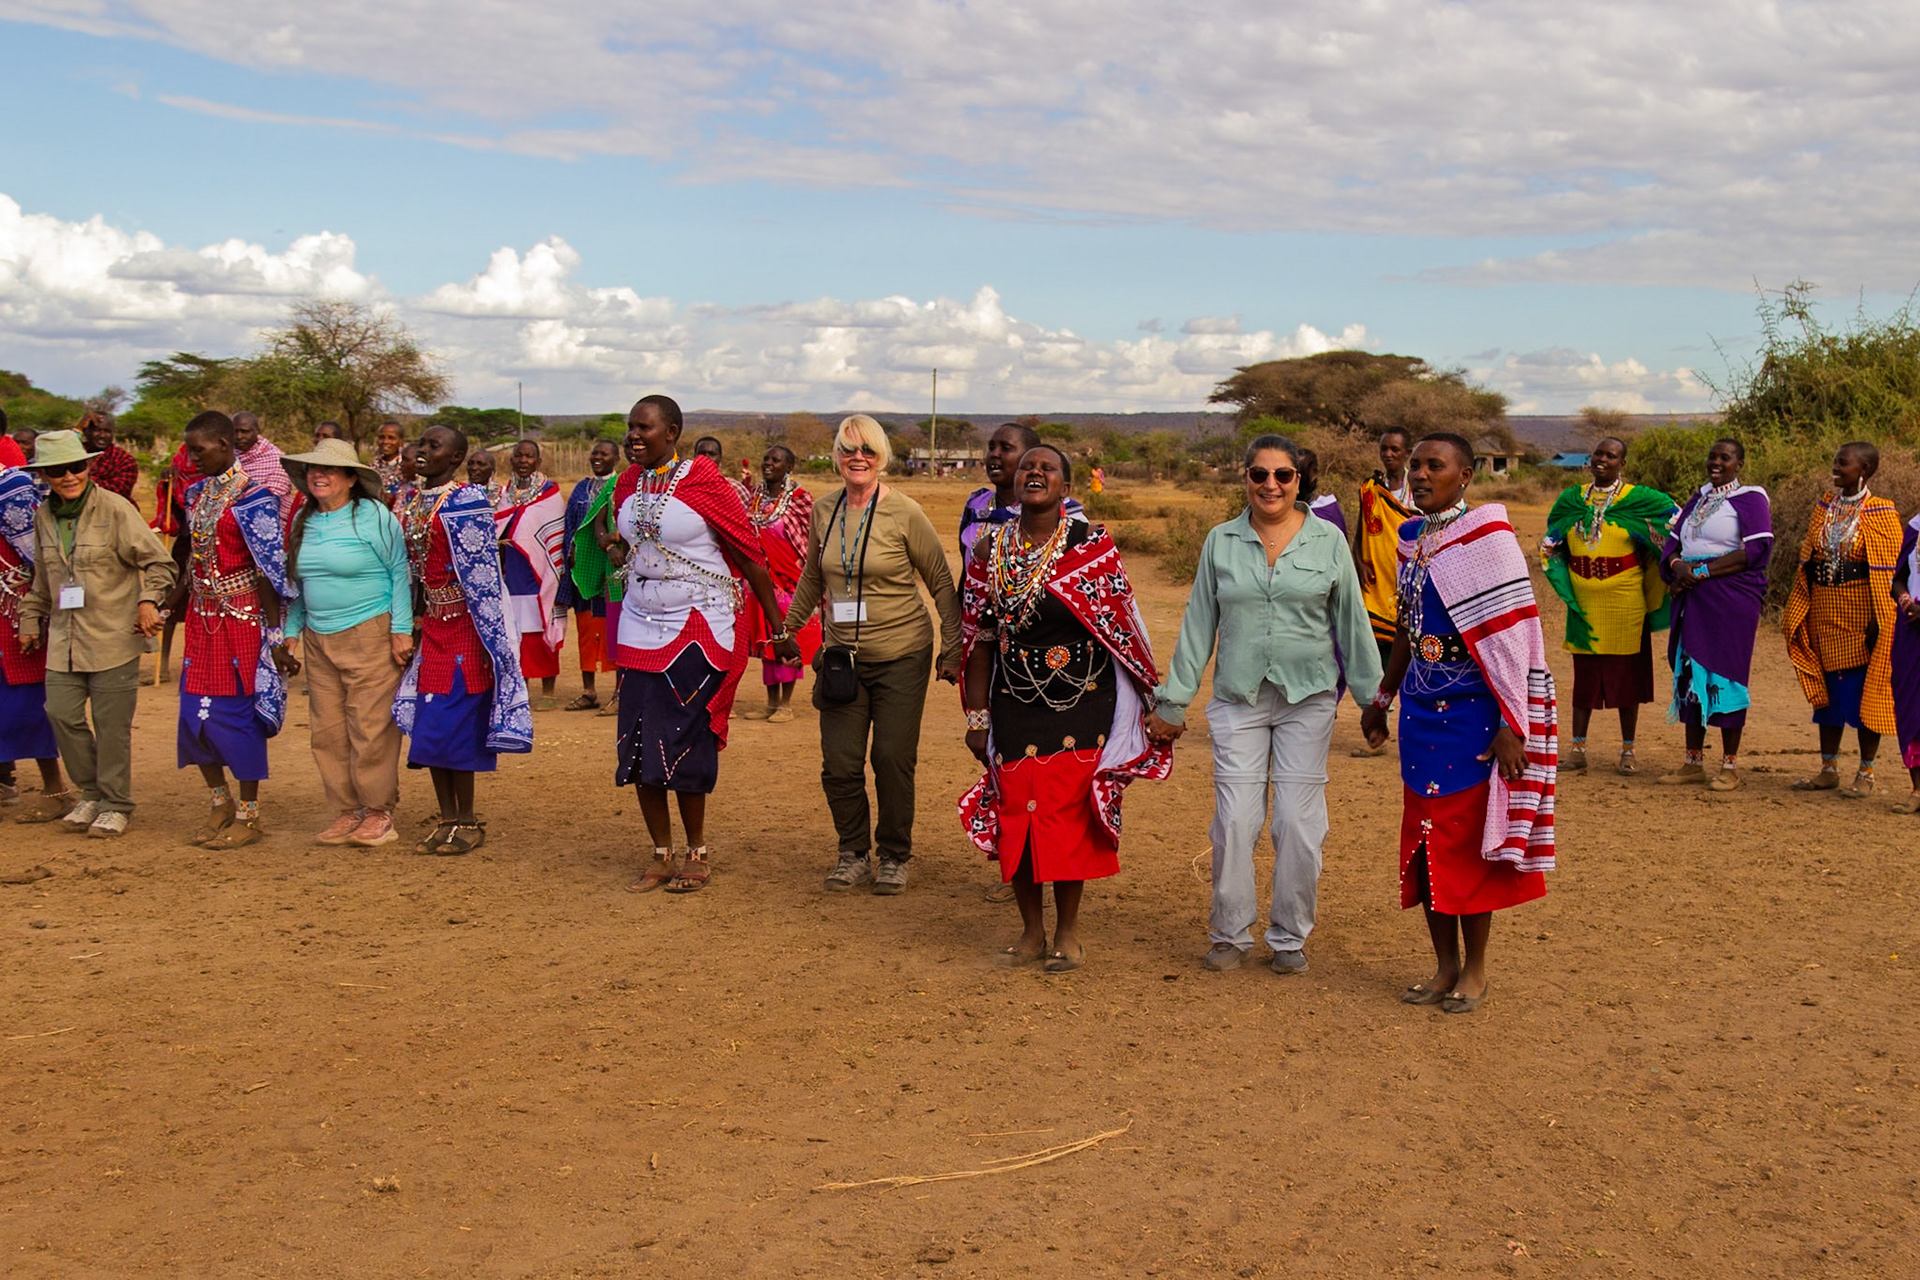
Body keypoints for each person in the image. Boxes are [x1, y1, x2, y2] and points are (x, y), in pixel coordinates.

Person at [1146, 434, 1383, 974]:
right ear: (1245, 478)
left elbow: (1352, 623)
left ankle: (1289, 937)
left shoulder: (1327, 541)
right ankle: (1229, 932)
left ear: (1300, 481)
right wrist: (1174, 701)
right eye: (1259, 475)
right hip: (1238, 698)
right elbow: (1199, 624)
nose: (1270, 485)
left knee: (1299, 824)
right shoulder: (1220, 541)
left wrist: (1373, 701)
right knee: (1235, 819)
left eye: (1283, 475)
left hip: (1309, 698)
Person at [1359, 434, 1558, 1015]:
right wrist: (1383, 698)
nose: (1420, 475)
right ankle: (1443, 965)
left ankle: (1475, 969)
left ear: (1465, 474)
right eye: (1416, 466)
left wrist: (1510, 724)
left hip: (1475, 714)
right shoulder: (1411, 539)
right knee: (1424, 843)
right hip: (1422, 710)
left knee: (1465, 845)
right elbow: (1405, 627)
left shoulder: (1489, 539)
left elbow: (1514, 640)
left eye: (1434, 466)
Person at [960, 445, 1169, 971]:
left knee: (1067, 819)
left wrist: (1150, 698)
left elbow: (1122, 625)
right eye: (1027, 467)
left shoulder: (1091, 545)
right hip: (1015, 701)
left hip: (1083, 703)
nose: (1034, 473)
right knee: (1018, 818)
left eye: (1047, 468)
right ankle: (1031, 931)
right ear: (1015, 483)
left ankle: (1068, 931)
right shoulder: (988, 550)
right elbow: (979, 638)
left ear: (1065, 487)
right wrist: (977, 715)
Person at [774, 414, 963, 895]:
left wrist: (953, 645)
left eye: (868, 450)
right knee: (839, 762)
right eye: (847, 449)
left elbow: (940, 580)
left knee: (891, 757)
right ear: (836, 455)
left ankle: (895, 855)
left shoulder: (905, 511)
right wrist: (788, 627)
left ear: (882, 458)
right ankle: (852, 852)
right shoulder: (824, 510)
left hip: (902, 653)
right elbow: (814, 577)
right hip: (842, 658)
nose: (857, 458)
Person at [604, 395, 784, 893]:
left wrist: (778, 628)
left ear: (673, 432)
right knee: (638, 743)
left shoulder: (705, 481)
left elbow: (750, 557)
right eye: (630, 427)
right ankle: (660, 853)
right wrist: (610, 543)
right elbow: (629, 544)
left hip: (697, 627)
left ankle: (696, 851)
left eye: (644, 428)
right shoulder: (625, 485)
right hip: (639, 625)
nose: (633, 436)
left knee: (684, 739)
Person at [16, 430, 176, 837]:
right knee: (60, 714)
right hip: (63, 638)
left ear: (88, 466)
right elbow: (42, 581)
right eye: (58, 470)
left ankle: (116, 802)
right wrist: (30, 619)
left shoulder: (116, 509)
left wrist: (148, 602)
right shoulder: (43, 516)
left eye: (76, 466)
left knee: (111, 725)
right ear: (45, 475)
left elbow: (159, 563)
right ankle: (91, 793)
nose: (69, 476)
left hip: (114, 635)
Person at [393, 425, 533, 854]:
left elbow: (484, 577)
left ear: (454, 459)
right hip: (434, 623)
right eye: (422, 443)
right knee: (431, 726)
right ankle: (447, 819)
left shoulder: (466, 501)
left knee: (455, 724)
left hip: (467, 628)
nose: (422, 451)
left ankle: (468, 822)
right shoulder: (414, 503)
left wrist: (496, 641)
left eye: (434, 447)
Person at [163, 412, 296, 848]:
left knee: (238, 718)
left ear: (224, 444)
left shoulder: (254, 498)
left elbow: (268, 572)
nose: (191, 458)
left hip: (241, 621)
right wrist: (170, 603)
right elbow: (192, 556)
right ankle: (219, 803)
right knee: (194, 716)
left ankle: (249, 814)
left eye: (198, 450)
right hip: (202, 622)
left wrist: (275, 640)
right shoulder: (197, 493)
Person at [280, 438, 414, 846]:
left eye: (330, 470)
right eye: (312, 470)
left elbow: (398, 571)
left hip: (370, 630)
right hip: (318, 636)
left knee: (370, 726)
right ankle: (346, 810)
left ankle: (378, 813)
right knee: (328, 730)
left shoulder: (373, 515)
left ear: (352, 479)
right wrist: (290, 632)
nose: (318, 475)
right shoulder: (303, 518)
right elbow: (300, 584)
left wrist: (401, 629)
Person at [1540, 437, 1676, 775]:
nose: (1602, 459)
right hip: (1584, 603)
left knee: (1626, 677)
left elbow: (1675, 523)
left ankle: (1628, 751)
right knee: (1583, 676)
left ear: (1622, 464)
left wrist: (1672, 560)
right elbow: (1552, 537)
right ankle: (1577, 749)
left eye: (1611, 455)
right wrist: (1557, 568)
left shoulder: (1640, 500)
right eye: (1598, 454)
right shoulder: (1571, 499)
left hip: (1625, 601)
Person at [1782, 442, 1904, 798]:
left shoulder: (1881, 512)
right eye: (1835, 462)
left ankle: (1866, 772)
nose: (1835, 468)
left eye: (1843, 464)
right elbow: (1809, 557)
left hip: (1860, 614)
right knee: (1827, 694)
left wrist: (1878, 621)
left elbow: (1886, 571)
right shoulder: (1825, 507)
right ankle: (1828, 769)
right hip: (1823, 608)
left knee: (1863, 692)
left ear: (1863, 469)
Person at [1656, 439, 1773, 791]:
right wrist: (1678, 567)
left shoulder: (1751, 498)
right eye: (1713, 456)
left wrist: (1701, 572)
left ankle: (1730, 765)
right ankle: (1693, 762)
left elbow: (1755, 551)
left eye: (1726, 458)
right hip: (1692, 598)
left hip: (1729, 600)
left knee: (1726, 676)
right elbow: (1672, 546)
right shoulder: (1699, 498)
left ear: (1740, 463)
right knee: (1691, 674)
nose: (1716, 463)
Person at [0, 452, 69, 817]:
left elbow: (38, 555)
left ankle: (55, 790)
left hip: (13, 611)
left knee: (26, 700)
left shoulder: (10, 488)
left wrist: (40, 607)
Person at [737, 445, 821, 723]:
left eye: (776, 460)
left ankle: (786, 703)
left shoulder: (800, 499)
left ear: (789, 467)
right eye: (767, 459)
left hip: (789, 580)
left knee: (786, 638)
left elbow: (811, 538)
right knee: (766, 639)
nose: (769, 464)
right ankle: (771, 702)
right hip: (760, 580)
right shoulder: (754, 497)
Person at [494, 440, 567, 708]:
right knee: (519, 633)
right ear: (511, 460)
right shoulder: (504, 492)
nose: (523, 460)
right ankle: (521, 688)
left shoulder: (550, 494)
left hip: (542, 571)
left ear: (538, 462)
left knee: (541, 629)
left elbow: (555, 533)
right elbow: (499, 524)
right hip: (512, 570)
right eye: (518, 456)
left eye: (529, 457)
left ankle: (548, 692)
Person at [959, 422, 1085, 559]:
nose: (995, 454)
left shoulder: (1069, 520)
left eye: (1006, 448)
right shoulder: (976, 506)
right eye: (991, 448)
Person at [558, 438, 620, 710]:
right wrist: (569, 555)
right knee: (584, 629)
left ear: (616, 459)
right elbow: (569, 526)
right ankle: (589, 691)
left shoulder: (620, 486)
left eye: (604, 454)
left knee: (614, 629)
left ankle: (619, 693)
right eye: (594, 453)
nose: (597, 458)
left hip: (612, 569)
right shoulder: (581, 488)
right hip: (583, 570)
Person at [1352, 427, 1413, 669]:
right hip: (1375, 583)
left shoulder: (1418, 490)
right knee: (1374, 659)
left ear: (1406, 453)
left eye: (1394, 449)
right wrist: (1357, 562)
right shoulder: (1371, 489)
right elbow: (1360, 533)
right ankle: (1380, 706)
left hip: (1406, 582)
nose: (1388, 454)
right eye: (1384, 449)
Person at [1891, 508, 1920, 814]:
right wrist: (1906, 602)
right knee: (1912, 705)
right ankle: (1917, 790)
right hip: (1911, 629)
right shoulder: (1915, 527)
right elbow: (1898, 578)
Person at [232, 411, 293, 506]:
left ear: (257, 431)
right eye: (235, 432)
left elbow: (270, 499)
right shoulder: (229, 456)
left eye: (245, 432)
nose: (239, 437)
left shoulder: (277, 460)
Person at [81, 411, 139, 502]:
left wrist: (80, 480)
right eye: (97, 430)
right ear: (86, 431)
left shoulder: (125, 460)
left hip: (112, 511)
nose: (102, 435)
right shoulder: (76, 452)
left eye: (107, 431)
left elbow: (116, 492)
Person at [1297, 447, 1346, 537]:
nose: (1299, 477)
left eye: (1303, 471)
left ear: (1314, 472)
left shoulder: (1328, 510)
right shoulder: (1279, 507)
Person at [372, 422, 407, 495]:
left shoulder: (407, 466)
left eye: (391, 438)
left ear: (401, 442)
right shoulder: (371, 468)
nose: (385, 442)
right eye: (381, 437)